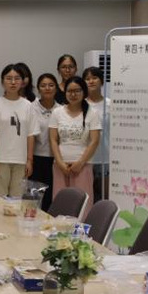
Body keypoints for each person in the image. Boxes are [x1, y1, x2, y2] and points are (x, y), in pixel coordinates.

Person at [0, 63, 39, 197]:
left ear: (22, 82)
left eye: (17, 78)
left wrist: (29, 160)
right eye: (9, 78)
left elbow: (31, 135)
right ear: (2, 81)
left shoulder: (28, 106)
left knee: (17, 202)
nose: (13, 82)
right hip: (0, 160)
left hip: (21, 160)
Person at [49, 76, 101, 212]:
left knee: (83, 205)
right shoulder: (57, 112)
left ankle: (81, 227)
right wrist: (60, 163)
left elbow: (95, 141)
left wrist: (80, 163)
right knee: (61, 204)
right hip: (60, 166)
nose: (73, 94)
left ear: (84, 92)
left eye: (77, 91)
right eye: (69, 91)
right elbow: (53, 140)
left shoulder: (92, 113)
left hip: (83, 166)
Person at [31, 73, 61, 211]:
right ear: (38, 89)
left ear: (56, 88)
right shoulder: (31, 108)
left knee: (50, 196)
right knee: (34, 197)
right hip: (35, 158)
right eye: (43, 85)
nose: (47, 88)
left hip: (55, 159)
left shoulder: (61, 109)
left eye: (51, 85)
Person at [83, 66, 111, 203]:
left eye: (94, 78)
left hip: (105, 157)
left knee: (105, 198)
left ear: (102, 81)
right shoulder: (80, 104)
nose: (91, 81)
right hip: (85, 158)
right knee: (87, 198)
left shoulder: (110, 104)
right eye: (87, 79)